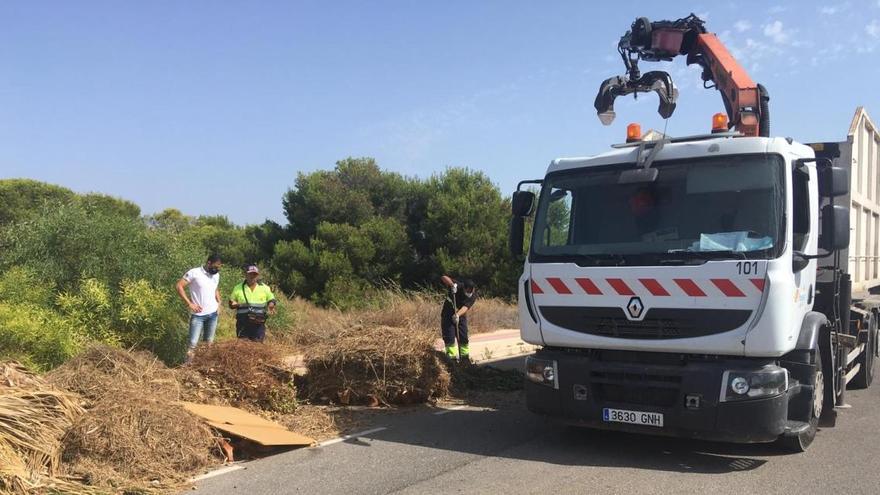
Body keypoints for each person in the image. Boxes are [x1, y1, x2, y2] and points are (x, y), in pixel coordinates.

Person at [176, 254, 223, 360]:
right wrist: (189, 303)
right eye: (215, 267)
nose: (217, 269)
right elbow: (179, 286)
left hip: (213, 314)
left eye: (219, 267)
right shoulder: (194, 273)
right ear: (208, 263)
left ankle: (204, 366)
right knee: (193, 343)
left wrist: (219, 302)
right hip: (198, 315)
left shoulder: (216, 275)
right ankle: (188, 366)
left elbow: (215, 288)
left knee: (209, 343)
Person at [229, 264, 277, 342]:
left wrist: (271, 305)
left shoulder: (265, 288)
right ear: (245, 275)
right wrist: (234, 304)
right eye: (250, 274)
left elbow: (272, 300)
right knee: (243, 346)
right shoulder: (237, 288)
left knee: (257, 347)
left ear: (257, 276)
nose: (252, 276)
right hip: (242, 324)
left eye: (255, 274)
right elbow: (231, 303)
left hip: (258, 324)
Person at [440, 275, 477, 361]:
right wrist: (452, 285)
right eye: (467, 291)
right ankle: (452, 359)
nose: (469, 292)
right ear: (464, 288)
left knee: (463, 337)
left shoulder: (473, 295)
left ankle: (464, 359)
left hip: (460, 315)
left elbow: (466, 307)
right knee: (449, 337)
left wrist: (457, 315)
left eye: (470, 291)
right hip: (447, 315)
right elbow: (443, 277)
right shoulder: (459, 286)